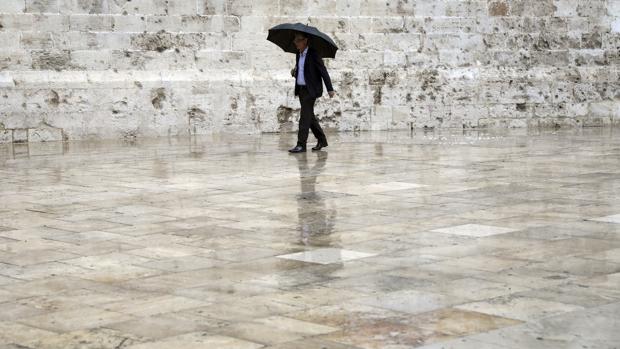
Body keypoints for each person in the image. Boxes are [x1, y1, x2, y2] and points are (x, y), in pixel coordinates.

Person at [288, 32, 336, 153]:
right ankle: (322, 140)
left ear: (305, 41)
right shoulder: (298, 55)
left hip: (311, 90)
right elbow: (303, 71)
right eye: (295, 40)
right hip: (301, 89)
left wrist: (330, 88)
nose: (295, 43)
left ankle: (301, 145)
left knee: (304, 117)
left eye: (297, 40)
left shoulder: (314, 54)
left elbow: (323, 71)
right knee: (310, 117)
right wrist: (295, 72)